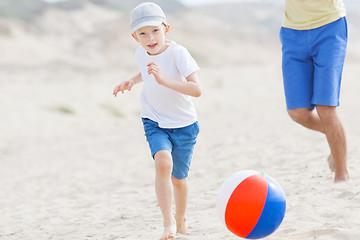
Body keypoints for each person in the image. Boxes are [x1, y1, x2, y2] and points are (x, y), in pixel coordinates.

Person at [113, 2, 201, 239]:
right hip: (153, 120)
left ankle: (181, 218)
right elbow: (146, 69)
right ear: (135, 37)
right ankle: (168, 222)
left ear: (166, 29)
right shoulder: (140, 52)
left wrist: (165, 81)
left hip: (184, 125)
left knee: (179, 179)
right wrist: (131, 81)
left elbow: (196, 89)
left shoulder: (178, 53)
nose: (150, 37)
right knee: (163, 163)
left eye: (155, 30)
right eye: (143, 33)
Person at [280, 0, 350, 182]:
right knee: (298, 113)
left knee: (325, 108)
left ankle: (341, 175)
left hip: (329, 27)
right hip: (292, 32)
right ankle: (336, 140)